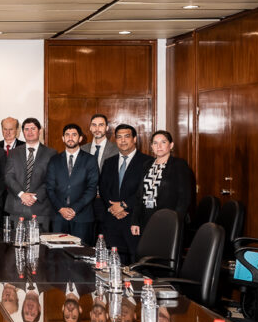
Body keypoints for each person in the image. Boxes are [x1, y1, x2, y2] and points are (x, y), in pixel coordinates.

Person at [98, 124, 152, 263]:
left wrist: (124, 205)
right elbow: (103, 188)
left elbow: (145, 190)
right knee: (113, 262)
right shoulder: (109, 162)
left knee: (136, 262)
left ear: (134, 139)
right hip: (112, 220)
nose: (123, 141)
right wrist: (113, 208)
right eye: (119, 137)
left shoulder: (147, 162)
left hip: (134, 220)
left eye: (126, 137)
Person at [130, 130, 194, 236]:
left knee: (165, 252)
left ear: (171, 145)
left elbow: (184, 198)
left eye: (163, 142)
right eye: (155, 143)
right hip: (146, 218)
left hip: (169, 219)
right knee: (146, 251)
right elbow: (139, 195)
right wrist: (135, 221)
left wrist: (175, 221)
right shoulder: (147, 164)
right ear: (151, 146)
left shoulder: (179, 165)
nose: (159, 146)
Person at [46, 123, 99, 244]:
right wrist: (61, 208)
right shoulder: (54, 160)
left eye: (74, 135)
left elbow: (92, 188)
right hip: (58, 217)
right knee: (57, 255)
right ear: (63, 138)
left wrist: (74, 209)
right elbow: (49, 188)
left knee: (82, 255)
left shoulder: (90, 160)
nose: (70, 138)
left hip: (82, 216)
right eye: (67, 135)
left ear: (80, 138)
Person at [4, 117, 55, 231]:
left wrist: (34, 196)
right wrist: (22, 194)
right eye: (26, 129)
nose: (30, 132)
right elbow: (8, 176)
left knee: (39, 246)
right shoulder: (13, 153)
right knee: (15, 245)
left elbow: (51, 180)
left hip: (40, 208)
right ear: (22, 132)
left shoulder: (51, 153)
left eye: (33, 128)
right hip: (16, 207)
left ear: (39, 131)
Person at [81, 113, 119, 236]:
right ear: (90, 128)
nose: (97, 128)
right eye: (94, 125)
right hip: (85, 202)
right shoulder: (81, 150)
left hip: (106, 202)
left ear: (107, 128)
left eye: (101, 125)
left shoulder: (116, 150)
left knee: (106, 239)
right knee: (86, 239)